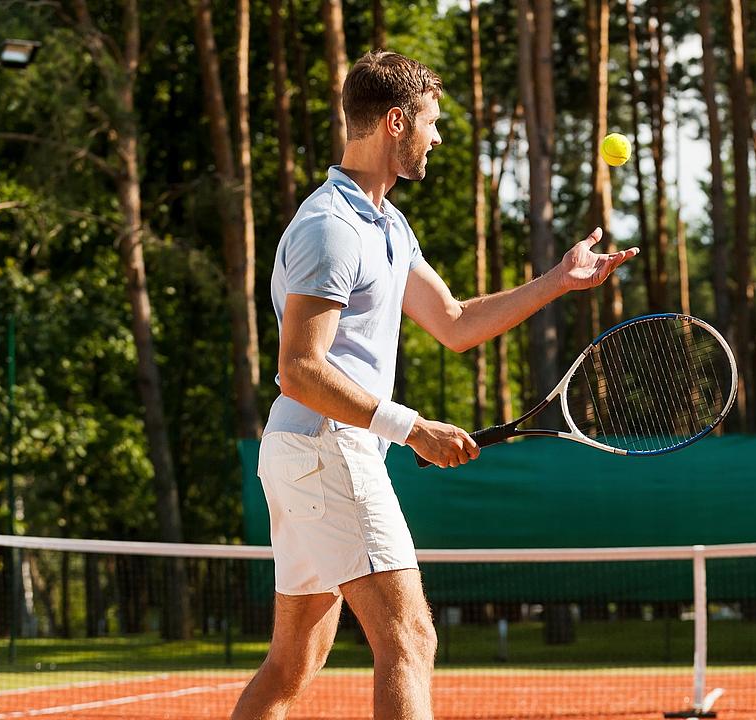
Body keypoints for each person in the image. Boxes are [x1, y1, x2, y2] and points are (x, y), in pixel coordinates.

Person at [230, 50, 638, 720]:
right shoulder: (331, 226)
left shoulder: (386, 224)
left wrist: (559, 279)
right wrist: (410, 427)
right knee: (410, 638)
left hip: (310, 451)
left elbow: (453, 322)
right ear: (395, 122)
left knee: (292, 661)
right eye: (430, 122)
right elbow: (298, 369)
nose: (438, 137)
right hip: (328, 447)